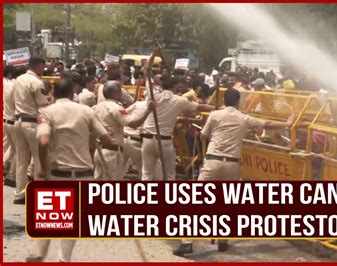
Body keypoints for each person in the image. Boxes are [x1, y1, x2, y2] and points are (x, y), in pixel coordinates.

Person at [173, 88, 296, 256]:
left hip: (213, 161)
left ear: (225, 100)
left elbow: (203, 136)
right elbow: (266, 124)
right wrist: (287, 124)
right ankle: (223, 238)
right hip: (232, 164)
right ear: (238, 101)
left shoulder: (215, 115)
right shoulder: (243, 118)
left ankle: (187, 242)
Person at [26, 78, 111, 262]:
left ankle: (40, 253)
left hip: (58, 172)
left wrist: (41, 166)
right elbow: (106, 138)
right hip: (84, 174)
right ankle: (64, 259)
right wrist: (89, 140)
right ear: (72, 94)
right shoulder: (87, 111)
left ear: (54, 94)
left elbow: (43, 140)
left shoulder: (47, 112)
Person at [93, 80, 154, 180]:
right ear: (116, 93)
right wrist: (148, 111)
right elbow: (133, 124)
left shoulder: (97, 107)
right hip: (111, 152)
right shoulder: (117, 108)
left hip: (99, 150)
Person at [12, 57, 50, 204]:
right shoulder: (36, 82)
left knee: (22, 160)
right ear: (38, 65)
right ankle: (38, 193)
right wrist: (49, 98)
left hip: (18, 120)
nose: (43, 69)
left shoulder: (18, 79)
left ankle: (19, 193)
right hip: (31, 122)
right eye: (43, 66)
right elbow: (42, 103)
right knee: (39, 158)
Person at [3, 65, 15, 187]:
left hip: (5, 117)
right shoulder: (10, 85)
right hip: (9, 118)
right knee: (11, 147)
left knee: (7, 146)